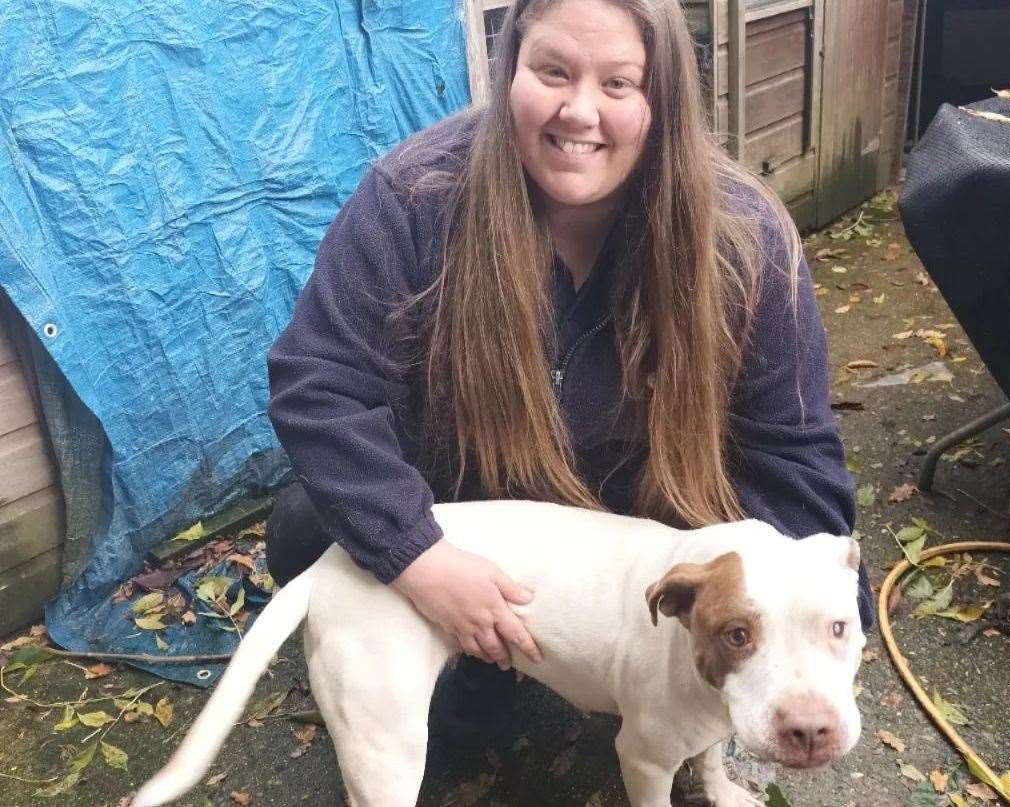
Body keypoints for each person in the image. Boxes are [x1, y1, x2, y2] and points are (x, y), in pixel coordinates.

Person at [265, 0, 872, 738]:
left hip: (655, 529)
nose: (578, 111)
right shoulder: (414, 199)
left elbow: (794, 456)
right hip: (478, 529)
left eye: (619, 83)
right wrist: (417, 557)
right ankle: (469, 669)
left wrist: (792, 644)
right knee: (307, 530)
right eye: (552, 70)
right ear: (509, 64)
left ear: (664, 97)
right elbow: (319, 385)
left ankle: (640, 670)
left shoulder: (745, 237)